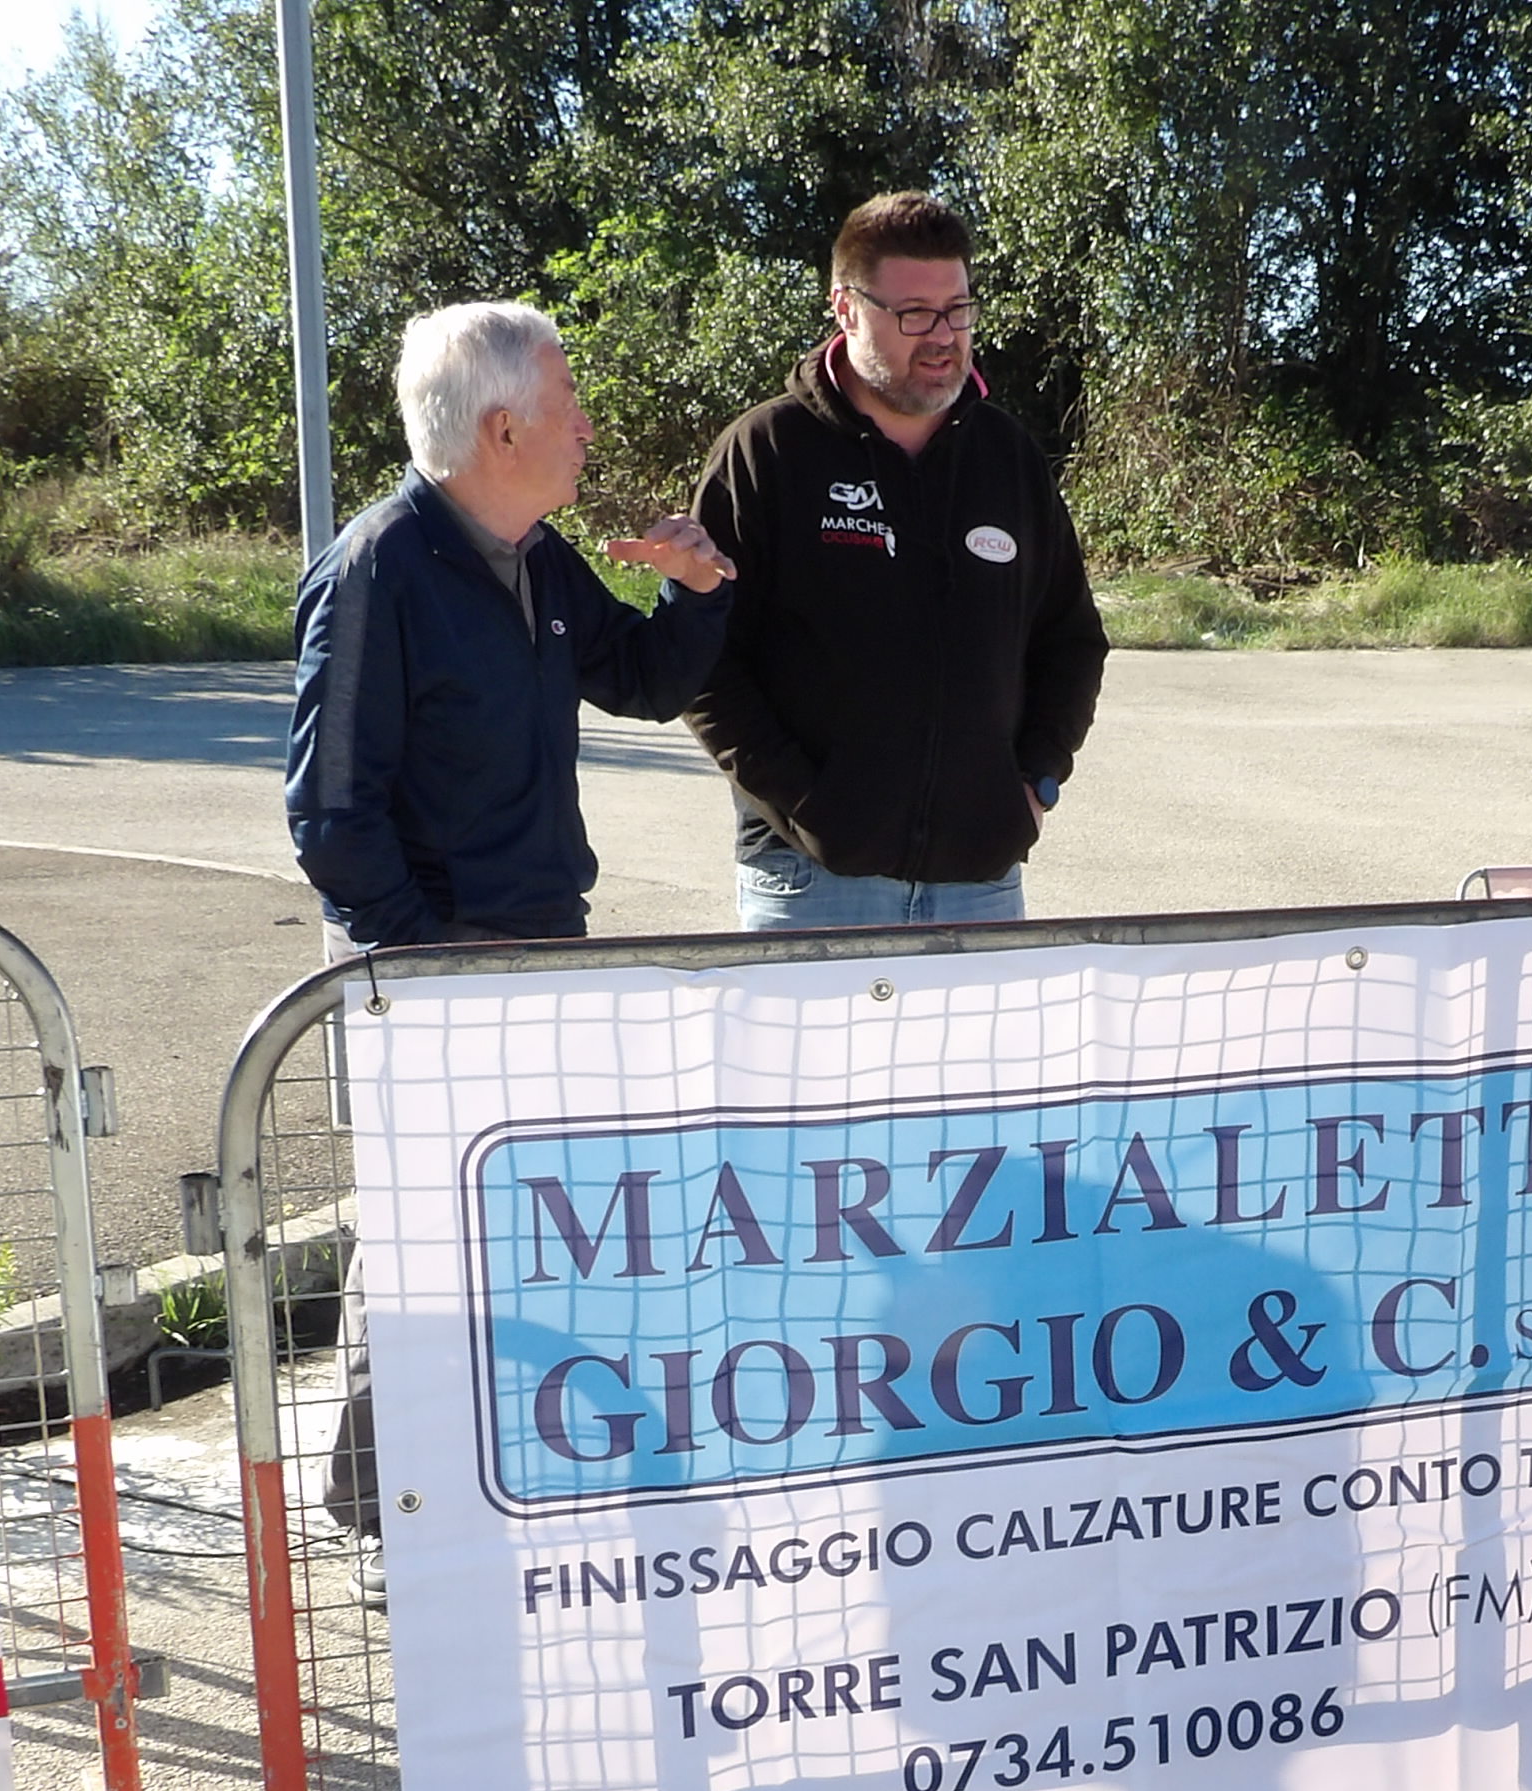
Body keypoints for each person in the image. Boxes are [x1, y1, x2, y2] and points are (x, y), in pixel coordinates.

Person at [285, 301, 736, 1589]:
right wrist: (426, 963)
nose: (586, 426)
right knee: (420, 1234)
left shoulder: (534, 555)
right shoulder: (377, 570)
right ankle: (378, 1514)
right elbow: (329, 815)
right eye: (568, 403)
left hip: (540, 948)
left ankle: (504, 1473)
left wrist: (694, 589)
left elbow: (642, 679)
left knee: (520, 1229)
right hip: (430, 969)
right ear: (501, 428)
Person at [684, 191, 1109, 930]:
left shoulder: (1007, 458)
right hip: (811, 883)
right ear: (846, 309)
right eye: (914, 314)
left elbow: (1070, 640)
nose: (943, 336)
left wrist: (1035, 784)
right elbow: (704, 658)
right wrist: (808, 806)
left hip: (981, 884)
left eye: (959, 310)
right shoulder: (766, 453)